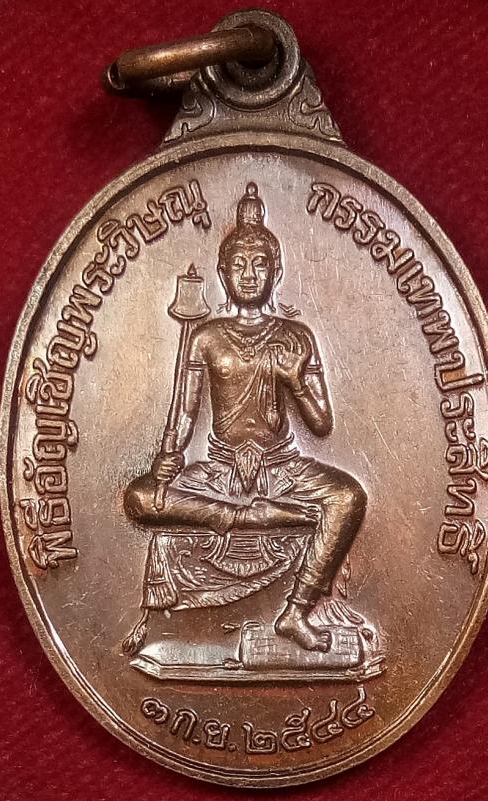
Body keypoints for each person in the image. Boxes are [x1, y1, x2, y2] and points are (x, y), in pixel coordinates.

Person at [125, 182, 366, 652]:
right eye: (239, 265)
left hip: (281, 468)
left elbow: (320, 423)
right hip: (221, 471)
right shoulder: (206, 337)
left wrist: (295, 380)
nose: (250, 274)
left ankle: (296, 611)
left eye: (260, 265)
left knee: (349, 498)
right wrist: (166, 461)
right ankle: (240, 516)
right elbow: (184, 414)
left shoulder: (295, 336)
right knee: (138, 498)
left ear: (276, 272)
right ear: (223, 273)